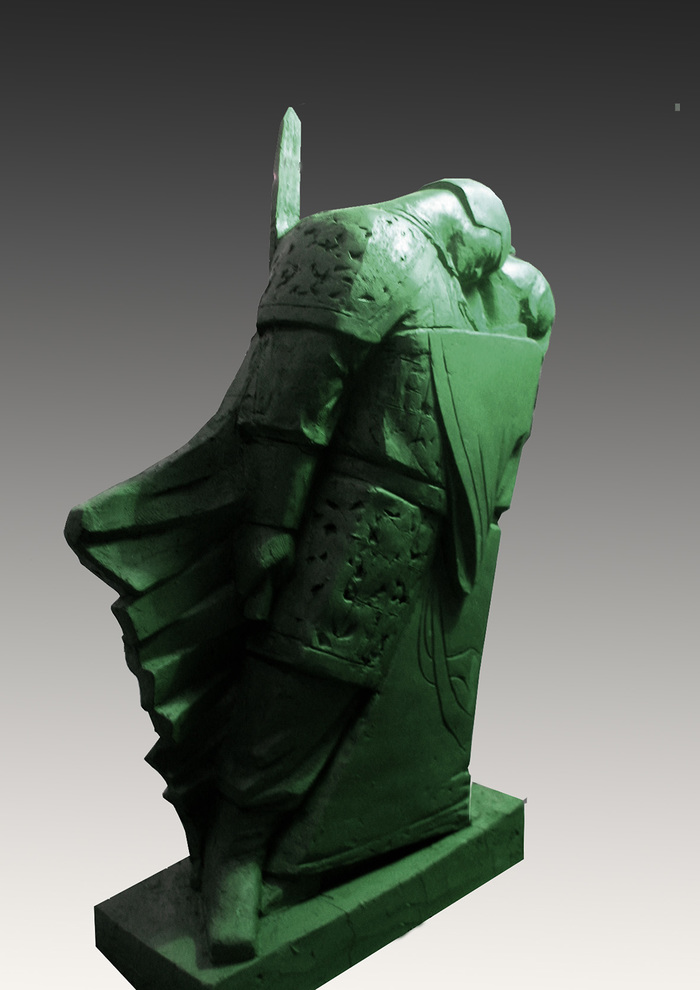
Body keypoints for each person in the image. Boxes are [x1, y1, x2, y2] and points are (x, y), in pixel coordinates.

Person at [66, 176, 553, 963]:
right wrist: (270, 522)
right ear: (472, 224)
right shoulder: (370, 241)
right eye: (486, 261)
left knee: (393, 694)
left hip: (429, 526)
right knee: (298, 681)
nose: (483, 279)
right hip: (350, 514)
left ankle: (354, 829)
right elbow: (294, 396)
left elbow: (486, 396)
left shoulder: (452, 279)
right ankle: (236, 852)